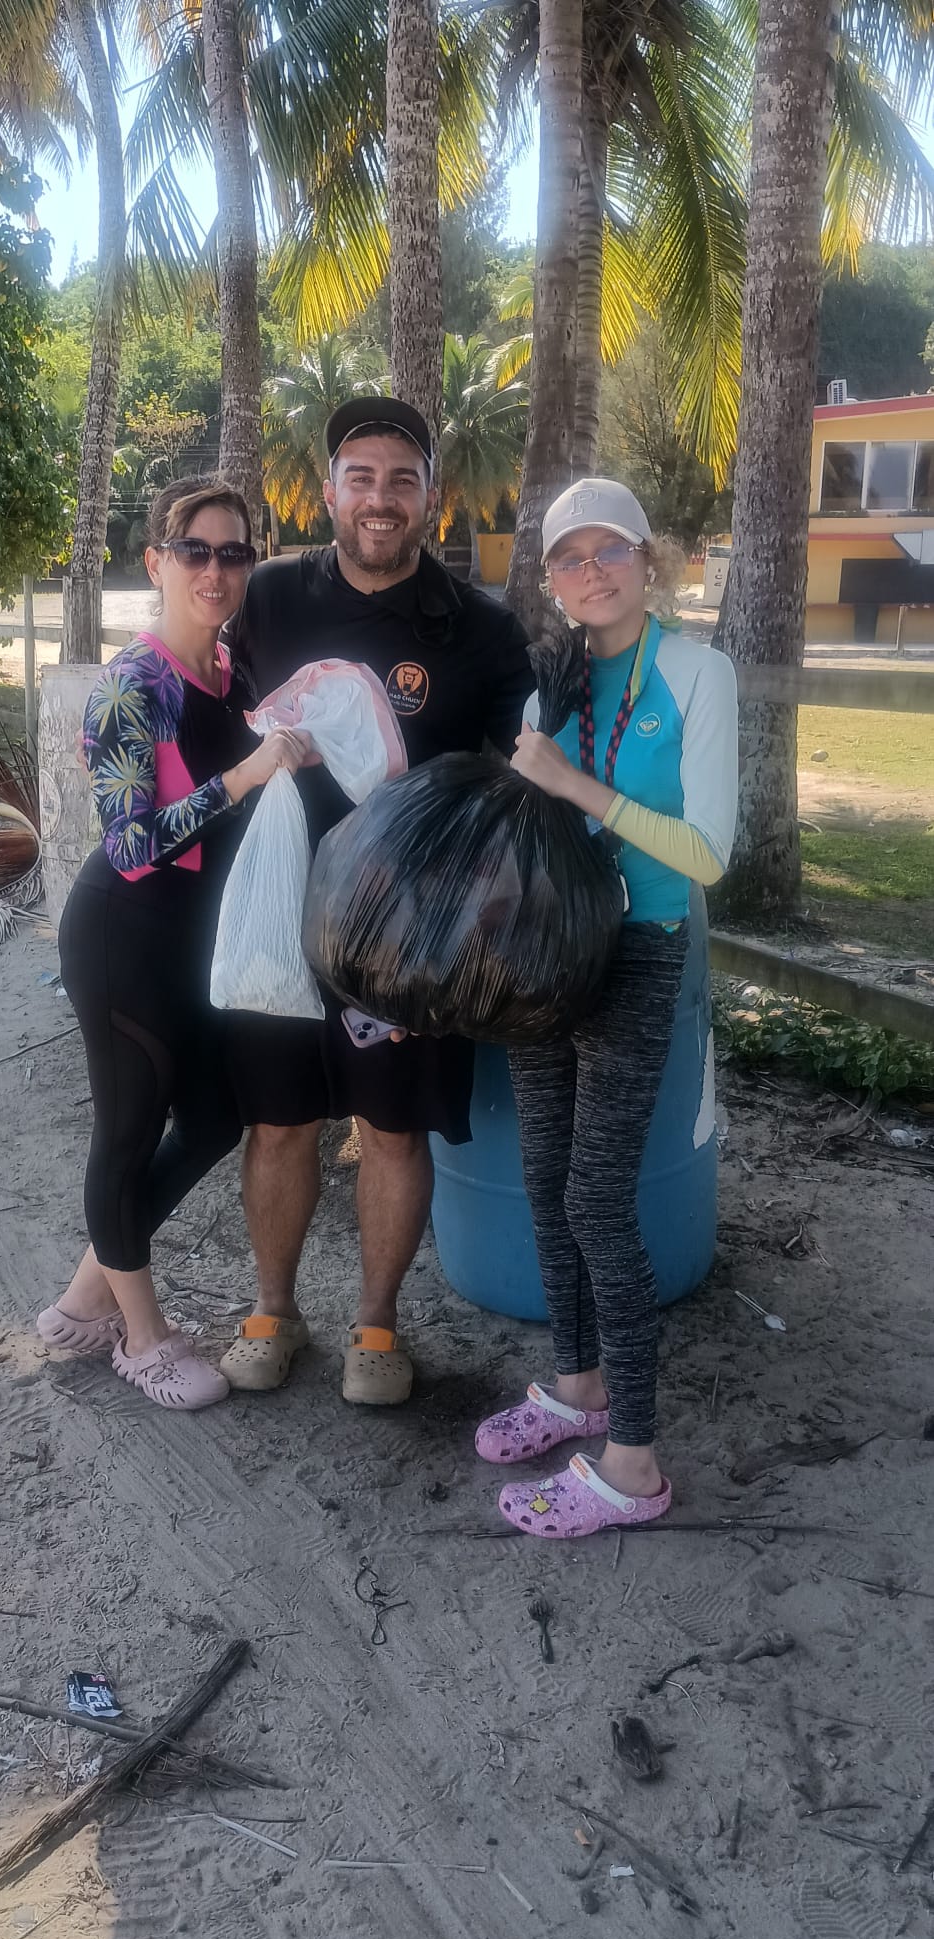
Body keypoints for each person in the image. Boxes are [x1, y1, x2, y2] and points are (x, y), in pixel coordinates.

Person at [219, 397, 535, 1407]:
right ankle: (272, 1312)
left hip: (410, 936)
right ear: (328, 493)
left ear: (431, 499)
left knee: (392, 1131)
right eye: (360, 477)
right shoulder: (269, 599)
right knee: (276, 1122)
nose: (380, 498)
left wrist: (472, 925)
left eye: (402, 479)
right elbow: (206, 709)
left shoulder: (478, 629)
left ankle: (376, 1329)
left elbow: (525, 776)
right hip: (277, 915)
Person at [474, 478, 738, 1534]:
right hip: (551, 955)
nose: (592, 572)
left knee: (595, 1199)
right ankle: (577, 1383)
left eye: (610, 550)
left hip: (638, 950)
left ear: (647, 558)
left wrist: (573, 786)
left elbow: (706, 855)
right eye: (569, 558)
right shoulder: (552, 686)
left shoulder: (695, 673)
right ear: (550, 580)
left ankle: (631, 1463)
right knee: (544, 1179)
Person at [36, 479, 315, 1410]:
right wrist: (245, 776)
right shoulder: (133, 684)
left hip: (195, 944)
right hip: (123, 938)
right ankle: (140, 1337)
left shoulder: (231, 673)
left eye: (235, 553)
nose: (215, 570)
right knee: (126, 1132)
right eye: (196, 550)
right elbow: (130, 844)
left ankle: (85, 1301)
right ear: (156, 561)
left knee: (212, 1120)